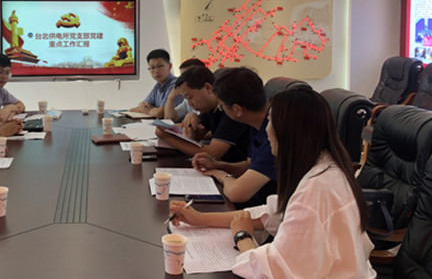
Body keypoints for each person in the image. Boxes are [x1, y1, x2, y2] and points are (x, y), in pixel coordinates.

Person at [169, 87, 375, 278]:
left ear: (287, 131)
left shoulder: (315, 190)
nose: (267, 130)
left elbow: (273, 271)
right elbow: (273, 213)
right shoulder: (326, 165)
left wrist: (242, 236)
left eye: (270, 121)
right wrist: (199, 218)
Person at [192, 67, 276, 207]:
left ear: (237, 109)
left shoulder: (274, 134)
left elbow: (236, 193)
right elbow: (250, 165)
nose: (222, 110)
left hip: (265, 207)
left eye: (222, 106)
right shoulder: (256, 124)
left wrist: (219, 174)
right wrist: (219, 165)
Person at [155, 66, 250, 161]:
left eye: (190, 97)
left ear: (208, 88)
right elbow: (194, 136)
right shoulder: (209, 108)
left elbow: (212, 153)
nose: (189, 103)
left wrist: (166, 137)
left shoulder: (231, 111)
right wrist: (190, 121)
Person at [129, 48, 182, 118]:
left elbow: (159, 113)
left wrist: (152, 110)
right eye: (152, 67)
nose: (156, 71)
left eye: (160, 66)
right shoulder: (158, 85)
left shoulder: (176, 84)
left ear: (169, 66)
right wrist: (141, 105)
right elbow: (133, 110)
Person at [163, 58, 206, 125]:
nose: (183, 81)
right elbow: (170, 118)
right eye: (182, 77)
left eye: (187, 77)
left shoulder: (206, 99)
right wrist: (171, 98)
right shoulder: (187, 100)